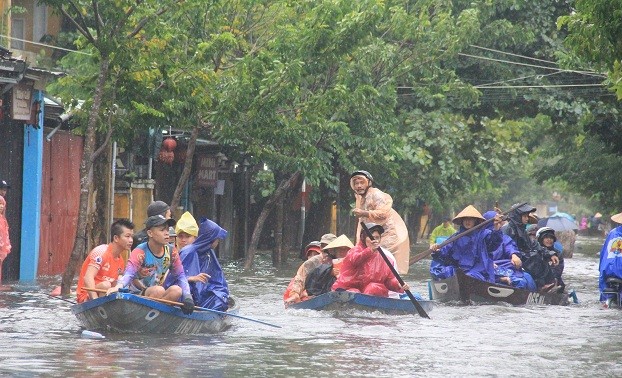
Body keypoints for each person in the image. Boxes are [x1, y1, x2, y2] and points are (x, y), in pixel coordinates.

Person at [109, 215, 195, 314]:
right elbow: (129, 273)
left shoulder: (172, 251)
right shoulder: (140, 251)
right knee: (158, 290)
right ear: (150, 233)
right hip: (136, 295)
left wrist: (187, 297)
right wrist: (118, 287)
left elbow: (180, 275)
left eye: (167, 229)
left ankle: (156, 315)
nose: (167, 233)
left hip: (158, 294)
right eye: (162, 230)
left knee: (177, 290)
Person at [350, 170, 411, 274]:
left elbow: (383, 213)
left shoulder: (376, 194)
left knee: (381, 265)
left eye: (361, 182)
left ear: (368, 183)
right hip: (370, 237)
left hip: (386, 236)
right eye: (356, 183)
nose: (359, 186)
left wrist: (364, 213)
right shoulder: (360, 198)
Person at [331, 223, 409, 297]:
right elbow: (355, 259)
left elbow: (389, 280)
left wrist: (399, 284)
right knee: (354, 292)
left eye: (377, 238)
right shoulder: (354, 251)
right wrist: (370, 250)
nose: (374, 240)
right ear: (363, 238)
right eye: (371, 237)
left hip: (369, 292)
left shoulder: (385, 258)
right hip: (348, 289)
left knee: (374, 288)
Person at [429, 206, 503, 283]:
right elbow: (444, 251)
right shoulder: (456, 237)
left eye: (470, 219)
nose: (468, 221)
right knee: (443, 272)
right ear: (462, 220)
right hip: (458, 269)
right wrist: (436, 250)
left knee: (470, 276)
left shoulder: (484, 234)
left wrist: (497, 229)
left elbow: (494, 243)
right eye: (465, 218)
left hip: (478, 270)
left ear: (475, 220)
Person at [174, 218, 229, 311]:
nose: (183, 240)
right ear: (210, 239)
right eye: (217, 239)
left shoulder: (209, 253)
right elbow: (174, 277)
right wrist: (191, 278)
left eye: (187, 236)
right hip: (185, 293)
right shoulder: (188, 252)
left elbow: (217, 279)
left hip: (200, 293)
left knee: (220, 297)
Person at [76, 219, 135, 303]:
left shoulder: (121, 260)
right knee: (105, 285)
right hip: (86, 296)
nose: (131, 240)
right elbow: (88, 277)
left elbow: (114, 284)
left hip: (104, 294)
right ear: (116, 238)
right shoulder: (101, 253)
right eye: (127, 236)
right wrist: (95, 301)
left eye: (132, 237)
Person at [503, 203, 558, 291]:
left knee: (538, 254)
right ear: (517, 216)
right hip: (510, 257)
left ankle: (546, 284)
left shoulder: (522, 230)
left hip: (520, 255)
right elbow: (506, 247)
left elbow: (533, 244)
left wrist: (550, 254)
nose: (527, 219)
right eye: (524, 216)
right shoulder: (508, 229)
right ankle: (539, 285)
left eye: (527, 216)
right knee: (534, 257)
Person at [482, 211, 536, 291]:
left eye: (499, 222)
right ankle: (502, 280)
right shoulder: (481, 237)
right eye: (496, 222)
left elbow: (509, 246)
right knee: (519, 282)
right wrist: (488, 262)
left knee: (527, 277)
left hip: (504, 265)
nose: (498, 225)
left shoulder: (502, 236)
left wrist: (513, 255)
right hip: (487, 266)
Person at [599, 212, 622, 302]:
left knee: (602, 280)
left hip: (607, 269)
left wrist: (601, 268)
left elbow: (603, 253)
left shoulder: (612, 233)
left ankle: (604, 300)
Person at [536, 227, 565, 293]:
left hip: (552, 281)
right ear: (541, 239)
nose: (549, 240)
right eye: (546, 238)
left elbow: (558, 271)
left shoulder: (557, 254)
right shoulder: (535, 252)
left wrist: (551, 282)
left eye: (551, 238)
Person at [0, 196, 10, 283]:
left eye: (2, 204)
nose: (1, 206)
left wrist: (6, 246)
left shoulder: (3, 220)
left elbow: (5, 234)